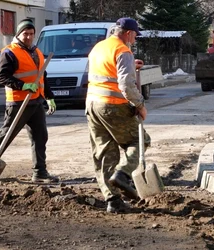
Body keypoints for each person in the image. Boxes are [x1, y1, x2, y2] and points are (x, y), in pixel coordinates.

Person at [85, 17, 149, 213]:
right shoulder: (123, 51)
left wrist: (131, 66)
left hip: (92, 105)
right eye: (135, 35)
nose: (135, 39)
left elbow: (106, 72)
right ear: (128, 33)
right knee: (139, 142)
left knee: (105, 152)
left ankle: (113, 201)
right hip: (113, 106)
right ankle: (122, 174)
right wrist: (140, 104)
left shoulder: (99, 47)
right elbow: (126, 85)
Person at [0, 18, 59, 183]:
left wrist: (50, 97)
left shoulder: (37, 52)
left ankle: (40, 173)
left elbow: (42, 78)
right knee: (7, 135)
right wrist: (23, 85)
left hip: (36, 102)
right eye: (25, 33)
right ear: (18, 34)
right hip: (18, 102)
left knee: (40, 136)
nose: (28, 37)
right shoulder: (9, 52)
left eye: (31, 34)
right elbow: (2, 77)